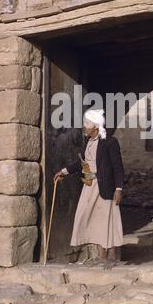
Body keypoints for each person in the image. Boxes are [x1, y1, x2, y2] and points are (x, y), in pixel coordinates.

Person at [54, 109, 124, 270]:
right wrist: (64, 171)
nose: (84, 127)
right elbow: (83, 163)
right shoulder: (89, 142)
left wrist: (119, 188)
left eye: (87, 124)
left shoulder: (110, 142)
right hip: (90, 186)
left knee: (107, 219)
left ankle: (112, 256)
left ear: (96, 127)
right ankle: (101, 256)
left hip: (105, 187)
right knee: (90, 217)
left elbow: (118, 167)